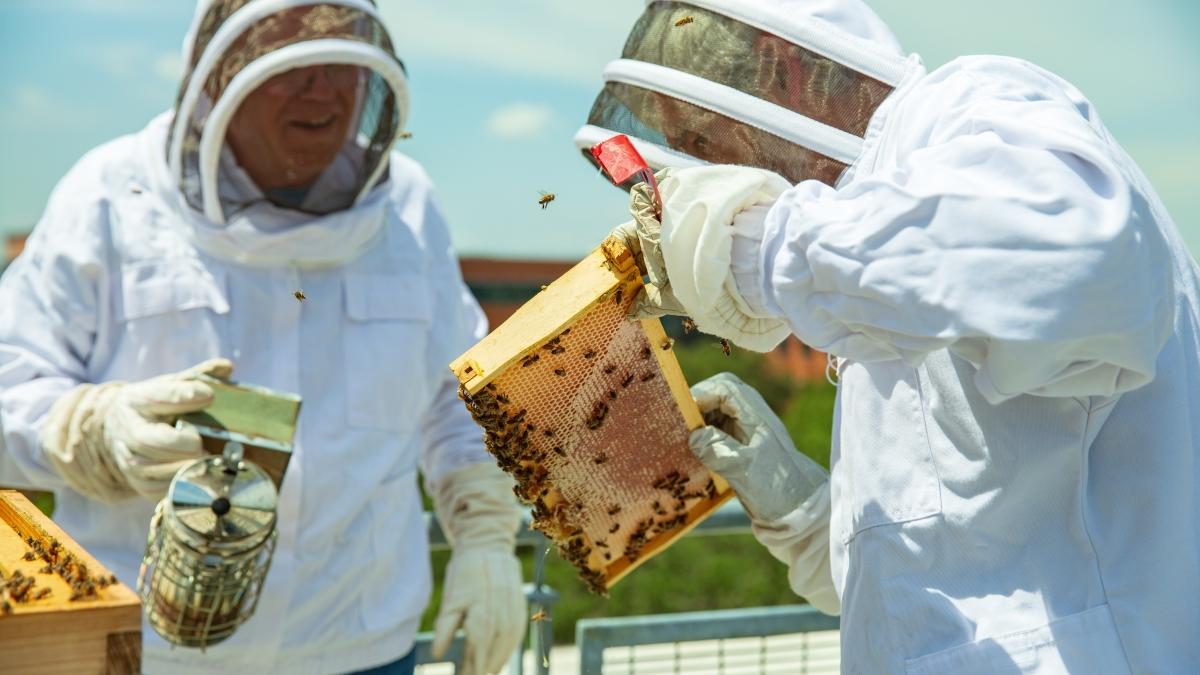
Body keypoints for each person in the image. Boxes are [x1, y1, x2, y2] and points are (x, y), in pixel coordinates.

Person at [588, 1, 1199, 672]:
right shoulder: (871, 227)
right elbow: (924, 587)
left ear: (780, 68)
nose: (704, 168)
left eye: (702, 141)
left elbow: (1084, 260)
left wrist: (758, 248)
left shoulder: (972, 106)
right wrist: (803, 511)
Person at [0, 2, 524, 673]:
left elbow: (459, 395)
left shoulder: (408, 208)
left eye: (343, 63)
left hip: (359, 646)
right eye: (293, 63)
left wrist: (483, 533)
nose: (322, 88)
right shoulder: (109, 195)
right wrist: (93, 429)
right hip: (146, 649)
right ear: (218, 77)